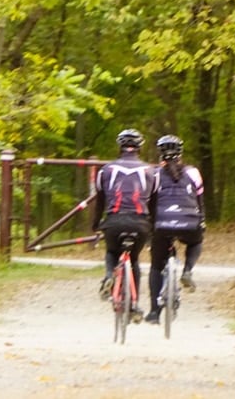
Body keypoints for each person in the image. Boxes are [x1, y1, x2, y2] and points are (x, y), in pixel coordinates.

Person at [92, 127, 159, 323]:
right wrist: (152, 227)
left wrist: (96, 224)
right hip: (140, 223)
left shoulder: (105, 170)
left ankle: (108, 276)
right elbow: (153, 204)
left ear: (120, 146)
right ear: (139, 147)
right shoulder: (151, 172)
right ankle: (133, 305)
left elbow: (99, 202)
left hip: (114, 220)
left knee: (112, 252)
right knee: (135, 260)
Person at [144, 134, 205, 325]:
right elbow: (200, 201)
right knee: (196, 241)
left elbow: (149, 204)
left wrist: (149, 230)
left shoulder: (152, 174)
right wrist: (201, 221)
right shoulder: (193, 172)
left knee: (156, 266)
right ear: (181, 153)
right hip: (189, 222)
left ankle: (154, 312)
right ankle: (187, 270)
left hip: (161, 224)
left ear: (159, 154)